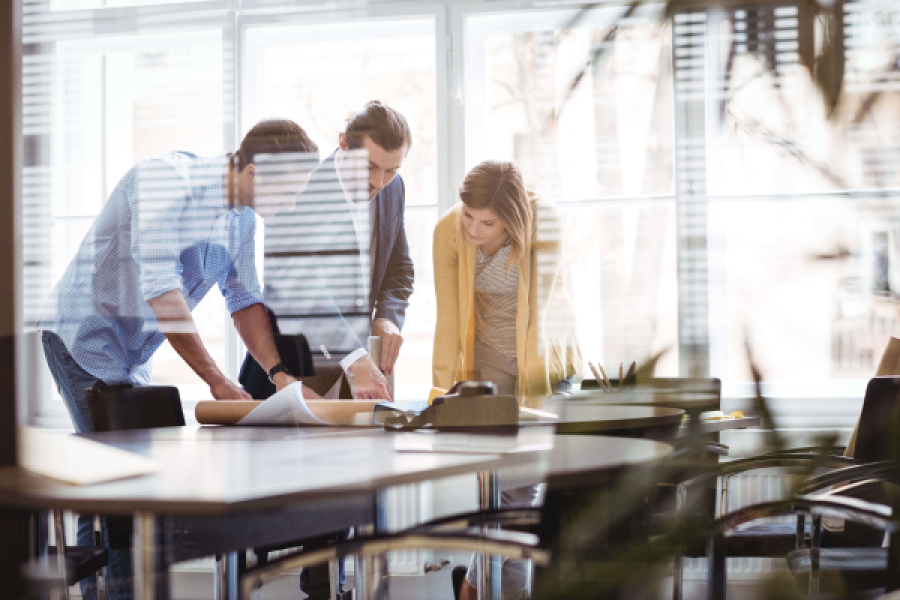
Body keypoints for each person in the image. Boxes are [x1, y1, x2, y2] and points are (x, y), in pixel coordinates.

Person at [37, 119, 321, 600]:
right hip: (82, 336)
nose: (291, 205)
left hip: (130, 355)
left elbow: (245, 300)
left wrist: (280, 377)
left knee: (105, 476)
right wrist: (215, 379)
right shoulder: (165, 182)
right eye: (288, 193)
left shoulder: (243, 220)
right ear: (253, 173)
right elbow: (162, 292)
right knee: (123, 483)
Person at [432, 160, 582, 600]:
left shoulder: (545, 222)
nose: (474, 229)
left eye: (488, 222)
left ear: (512, 220)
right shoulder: (447, 232)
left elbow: (538, 317)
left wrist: (533, 406)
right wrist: (441, 397)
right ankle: (476, 588)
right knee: (504, 495)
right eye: (468, 216)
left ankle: (474, 589)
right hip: (489, 367)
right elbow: (447, 321)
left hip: (546, 361)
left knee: (518, 495)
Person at [253, 100, 414, 401]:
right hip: (291, 376)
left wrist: (388, 317)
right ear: (342, 143)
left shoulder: (394, 188)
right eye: (369, 165)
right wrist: (353, 355)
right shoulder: (296, 187)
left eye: (391, 170)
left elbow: (398, 268)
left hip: (358, 382)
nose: (378, 182)